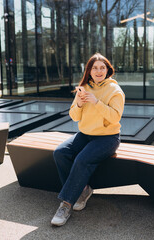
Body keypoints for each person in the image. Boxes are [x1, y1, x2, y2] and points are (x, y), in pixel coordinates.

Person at [51, 53, 125, 226]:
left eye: (102, 67)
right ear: (89, 71)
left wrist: (97, 102)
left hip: (108, 138)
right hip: (85, 135)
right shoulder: (84, 87)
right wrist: (80, 104)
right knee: (60, 153)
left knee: (82, 160)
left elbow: (115, 118)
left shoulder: (115, 91)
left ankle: (66, 204)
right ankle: (83, 189)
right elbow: (74, 116)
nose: (98, 71)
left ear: (107, 70)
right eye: (94, 68)